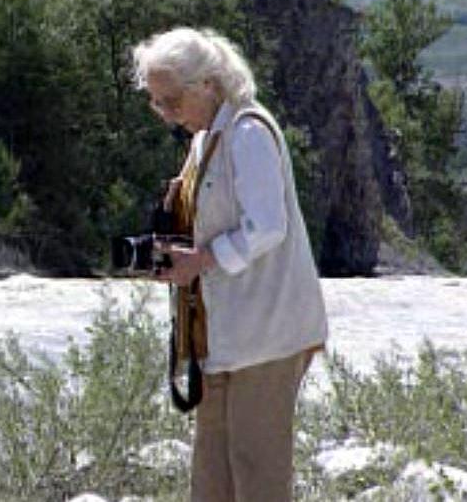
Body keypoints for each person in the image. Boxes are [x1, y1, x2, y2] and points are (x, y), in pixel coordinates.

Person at [131, 26, 328, 502]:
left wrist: (200, 260)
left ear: (208, 84)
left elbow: (268, 226)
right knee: (212, 477)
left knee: (257, 472)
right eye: (156, 102)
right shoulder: (204, 142)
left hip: (267, 332)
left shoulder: (248, 133)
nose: (165, 115)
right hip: (221, 336)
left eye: (171, 101)